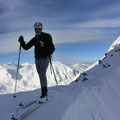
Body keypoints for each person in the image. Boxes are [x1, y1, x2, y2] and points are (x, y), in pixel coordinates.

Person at [18, 22, 55, 102]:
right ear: (34, 29)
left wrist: (44, 48)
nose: (37, 30)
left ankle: (44, 95)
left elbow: (52, 48)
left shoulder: (47, 36)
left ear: (41, 29)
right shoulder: (35, 38)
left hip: (45, 58)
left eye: (39, 28)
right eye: (36, 29)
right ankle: (44, 93)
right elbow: (26, 47)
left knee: (42, 74)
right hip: (37, 59)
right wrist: (21, 41)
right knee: (40, 75)